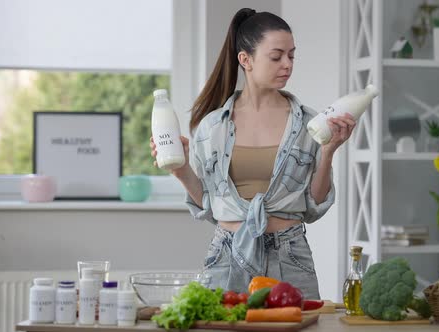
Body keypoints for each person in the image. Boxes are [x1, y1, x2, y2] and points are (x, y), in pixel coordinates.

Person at [149, 8, 355, 299]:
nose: (287, 64)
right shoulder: (212, 127)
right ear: (245, 59)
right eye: (276, 56)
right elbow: (208, 205)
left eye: (291, 56)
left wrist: (329, 152)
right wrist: (180, 169)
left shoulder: (310, 124)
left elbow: (314, 205)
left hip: (289, 256)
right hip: (226, 255)